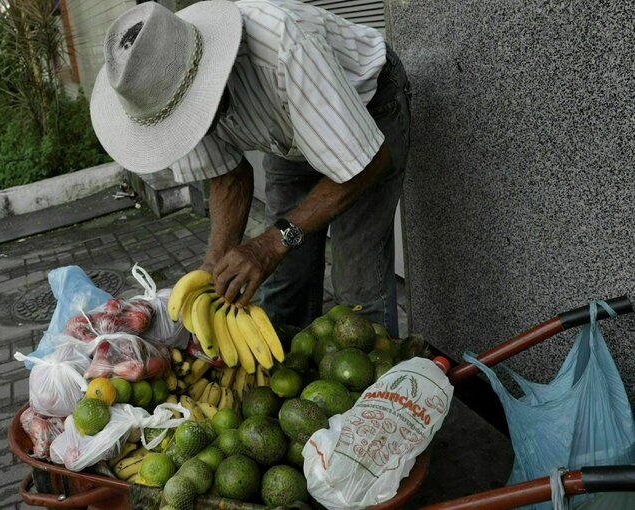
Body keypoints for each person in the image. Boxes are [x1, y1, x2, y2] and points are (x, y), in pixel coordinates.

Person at [89, 1, 411, 335]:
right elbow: (228, 176)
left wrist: (270, 244)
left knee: (356, 284)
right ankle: (293, 373)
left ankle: (378, 384)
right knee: (285, 282)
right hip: (288, 135)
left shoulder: (284, 45)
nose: (186, 124)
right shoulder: (162, 92)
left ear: (206, 78)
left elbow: (365, 163)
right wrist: (216, 259)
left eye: (188, 112)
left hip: (366, 109)